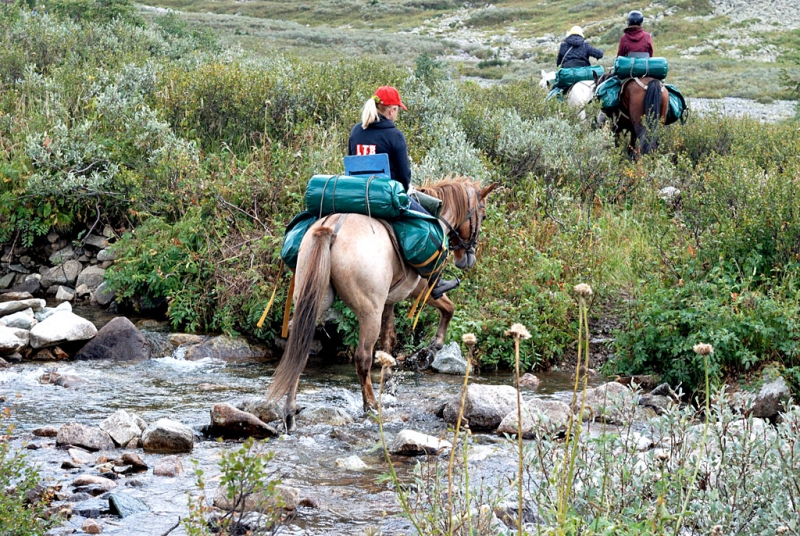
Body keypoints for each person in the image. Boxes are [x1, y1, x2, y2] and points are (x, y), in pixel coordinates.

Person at [348, 86, 459, 299]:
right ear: (390, 110)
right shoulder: (394, 135)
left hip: (357, 195)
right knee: (431, 223)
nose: (397, 113)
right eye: (397, 109)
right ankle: (435, 281)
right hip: (386, 197)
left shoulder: (356, 131)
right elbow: (404, 177)